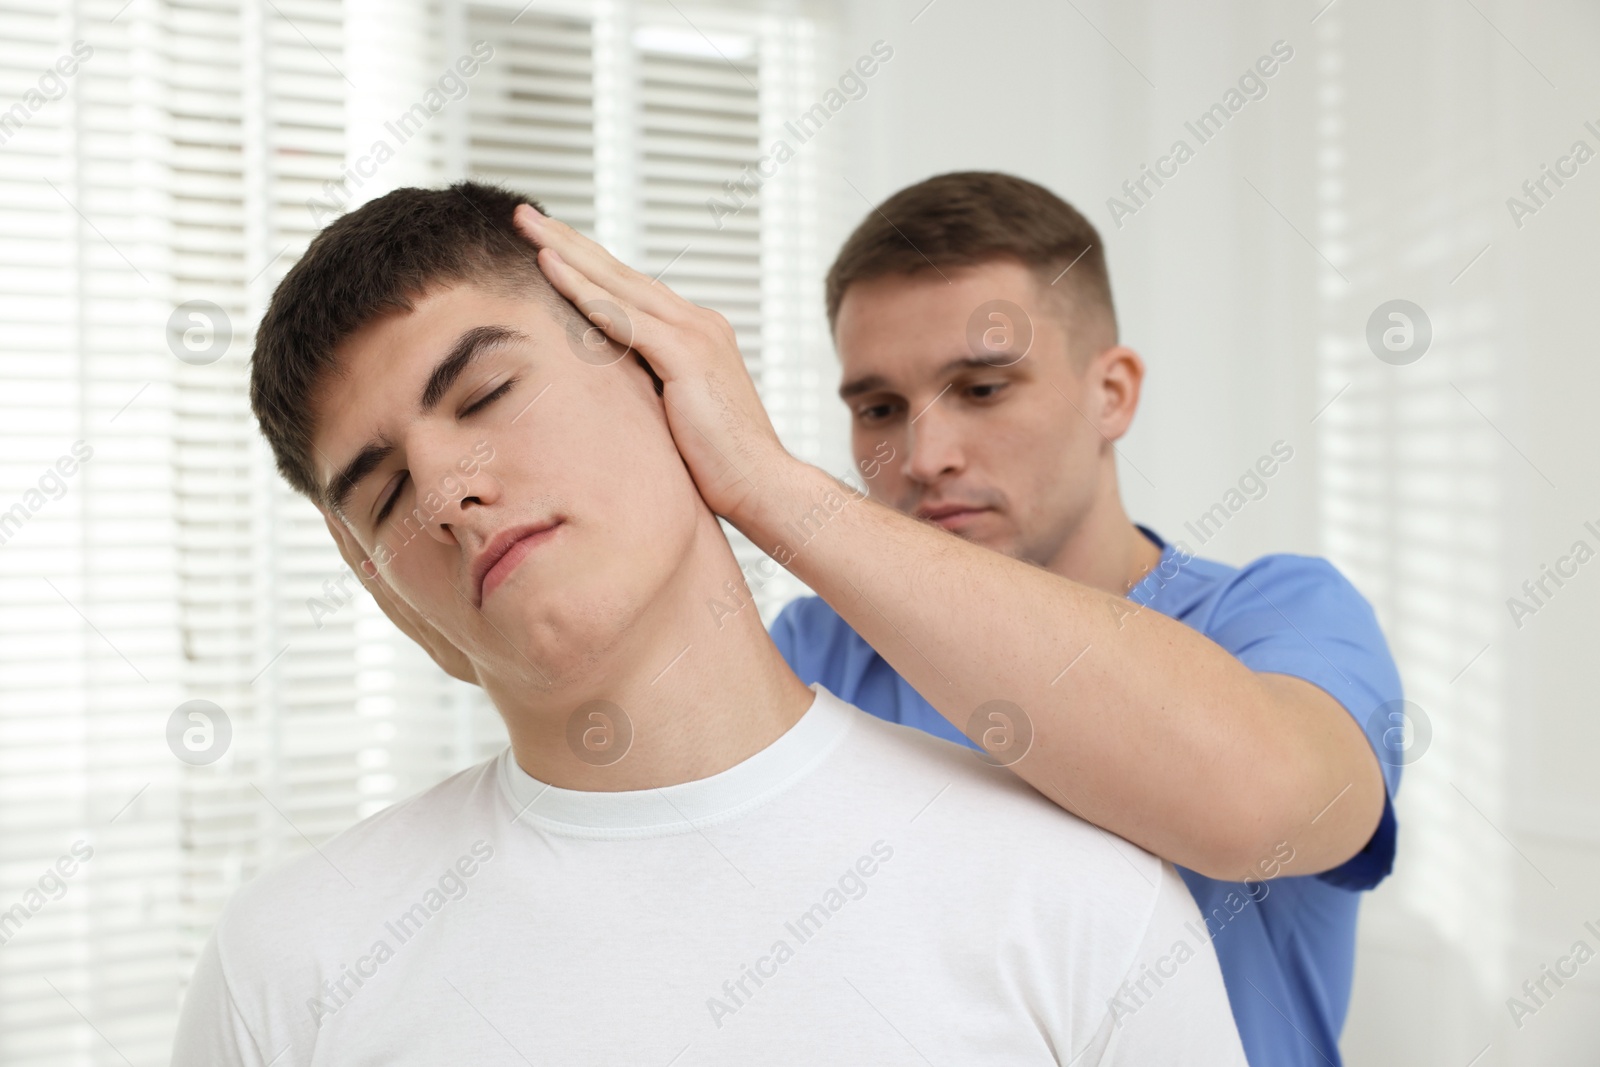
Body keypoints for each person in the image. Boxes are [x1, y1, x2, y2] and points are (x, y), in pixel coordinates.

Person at [170, 182, 1247, 1065]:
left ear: (659, 373)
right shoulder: (289, 965)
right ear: (377, 586)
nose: (445, 488)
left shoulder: (1077, 902)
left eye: (488, 392)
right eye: (383, 489)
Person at [429, 172, 1399, 1067]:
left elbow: (1258, 805)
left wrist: (769, 485)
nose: (924, 452)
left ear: (1111, 394)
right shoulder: (812, 654)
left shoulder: (1280, 615)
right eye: (879, 408)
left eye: (980, 388)